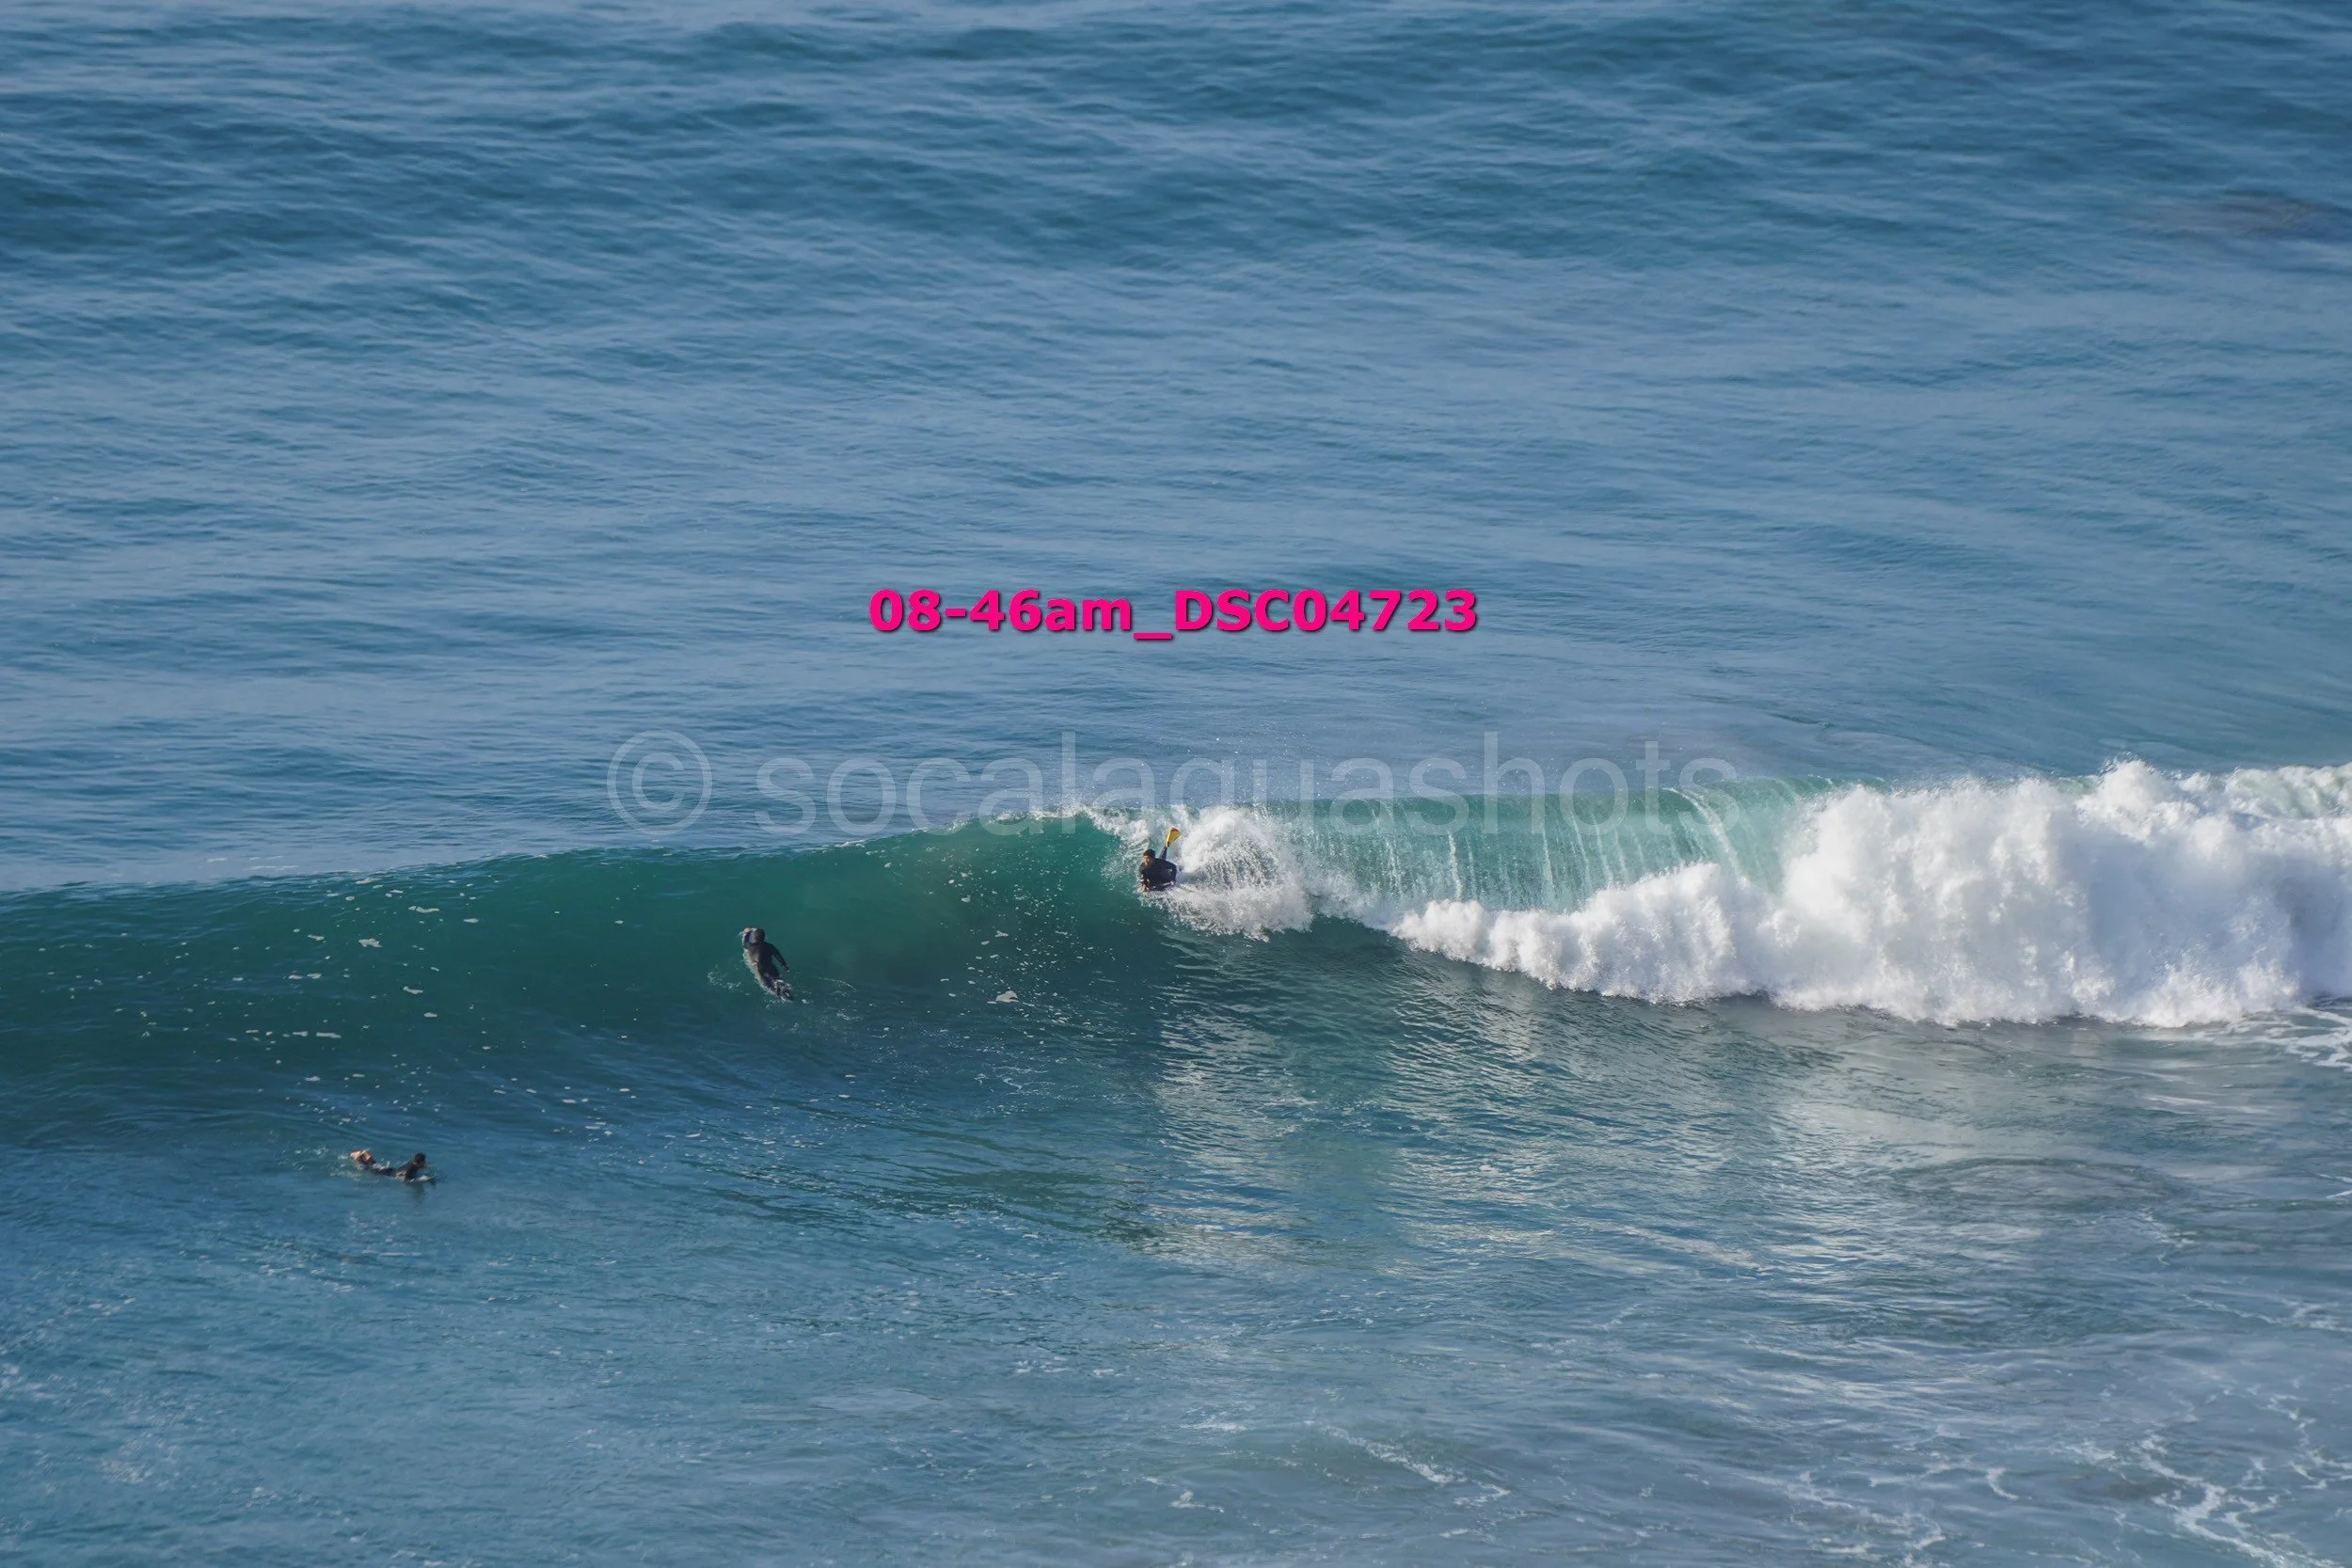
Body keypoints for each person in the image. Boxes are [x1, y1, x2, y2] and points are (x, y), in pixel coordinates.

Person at [742, 926, 792, 998]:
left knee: (766, 983)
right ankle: (787, 994)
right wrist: (785, 966)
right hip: (770, 966)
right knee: (778, 979)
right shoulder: (769, 946)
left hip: (761, 968)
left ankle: (775, 991)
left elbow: (745, 943)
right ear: (764, 937)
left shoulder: (750, 946)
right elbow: (778, 956)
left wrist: (747, 933)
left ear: (755, 938)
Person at [352, 1150, 430, 1182]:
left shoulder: (413, 1163)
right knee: (367, 1168)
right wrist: (422, 1179)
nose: (425, 1163)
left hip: (391, 1170)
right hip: (387, 1173)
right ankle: (358, 1157)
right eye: (424, 1162)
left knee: (374, 1165)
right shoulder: (412, 1168)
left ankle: (366, 1154)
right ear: (421, 1162)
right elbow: (406, 1180)